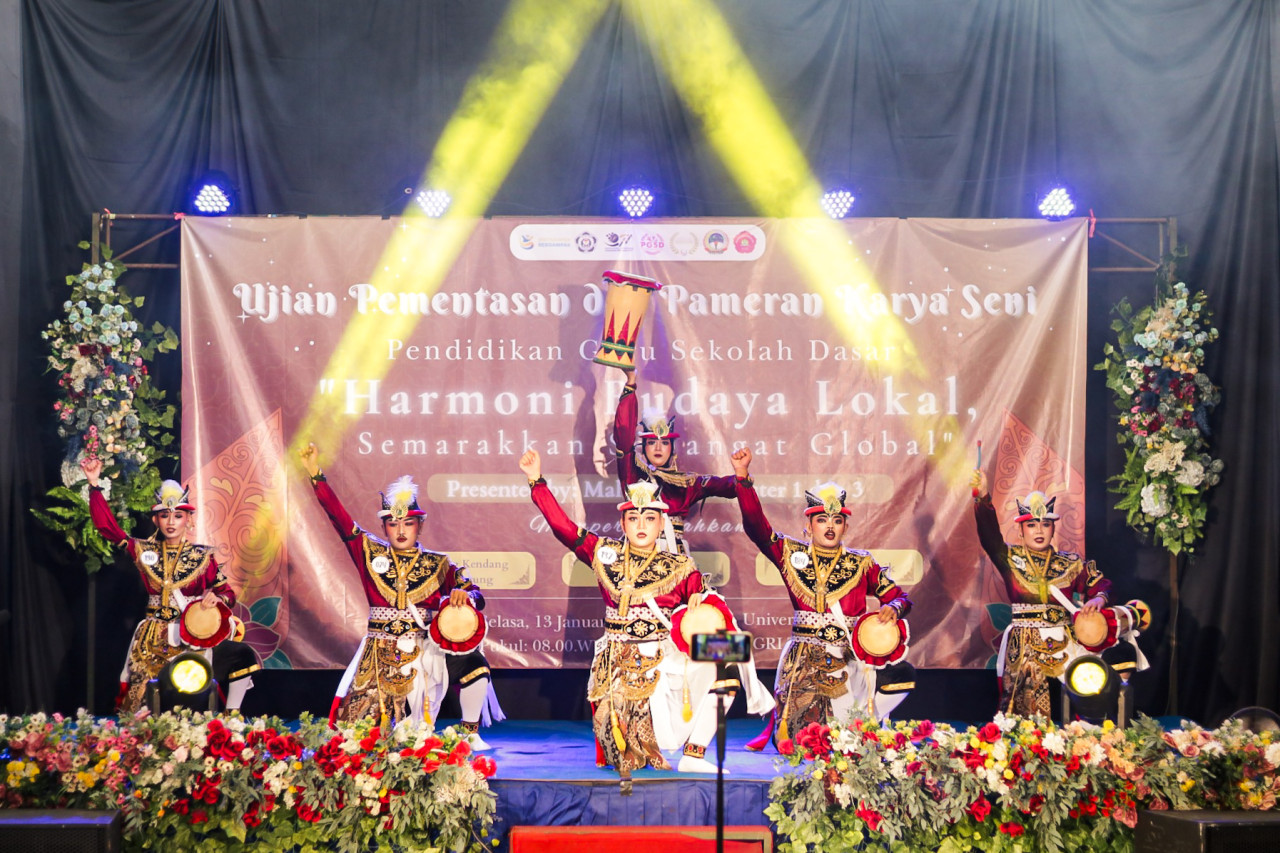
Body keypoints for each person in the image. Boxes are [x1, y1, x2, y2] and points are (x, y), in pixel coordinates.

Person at [519, 448, 732, 790]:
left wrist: (705, 601)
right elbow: (564, 528)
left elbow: (714, 616)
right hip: (617, 668)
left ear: (662, 522)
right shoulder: (605, 554)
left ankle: (695, 751)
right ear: (623, 523)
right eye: (634, 518)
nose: (642, 525)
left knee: (731, 654)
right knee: (626, 752)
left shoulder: (681, 567)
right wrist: (536, 482)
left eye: (650, 518)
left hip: (665, 664)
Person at [300, 443, 500, 744]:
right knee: (356, 738)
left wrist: (464, 595)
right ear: (384, 526)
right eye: (393, 524)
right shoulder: (367, 550)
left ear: (420, 525)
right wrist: (315, 474)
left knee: (474, 663)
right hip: (380, 653)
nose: (401, 530)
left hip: (427, 650)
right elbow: (339, 518)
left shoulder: (439, 563)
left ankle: (470, 734)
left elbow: (476, 593)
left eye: (408, 523)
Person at [730, 448, 913, 748]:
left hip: (847, 661)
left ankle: (864, 724)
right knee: (800, 745)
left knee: (846, 742)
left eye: (837, 520)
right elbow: (756, 527)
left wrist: (893, 608)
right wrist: (742, 478)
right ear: (809, 524)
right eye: (822, 520)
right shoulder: (790, 554)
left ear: (845, 526)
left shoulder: (862, 563)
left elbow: (900, 597)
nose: (830, 526)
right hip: (802, 664)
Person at [82, 457, 257, 714]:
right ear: (156, 520)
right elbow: (108, 529)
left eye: (178, 515)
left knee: (241, 654)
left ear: (188, 519)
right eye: (165, 515)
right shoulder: (144, 551)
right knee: (142, 711)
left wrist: (218, 600)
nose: (171, 521)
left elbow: (227, 593)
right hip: (153, 638)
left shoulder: (203, 557)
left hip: (193, 637)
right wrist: (94, 484)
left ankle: (233, 716)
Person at [970, 469, 1110, 718]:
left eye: (1045, 524)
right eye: (1032, 524)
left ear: (1053, 529)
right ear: (1021, 530)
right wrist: (982, 498)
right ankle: (1034, 748)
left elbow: (1099, 584)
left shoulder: (1070, 563)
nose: (1039, 530)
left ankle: (1084, 742)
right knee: (1025, 709)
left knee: (1088, 686)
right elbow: (989, 535)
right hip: (1024, 643)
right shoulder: (1010, 558)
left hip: (1065, 639)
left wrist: (1099, 598)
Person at [613, 367, 737, 554]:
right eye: (652, 442)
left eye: (664, 443)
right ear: (643, 447)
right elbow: (623, 434)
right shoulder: (633, 474)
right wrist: (630, 384)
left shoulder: (686, 483)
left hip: (674, 558)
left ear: (672, 448)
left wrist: (742, 476)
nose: (657, 448)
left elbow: (726, 486)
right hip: (639, 555)